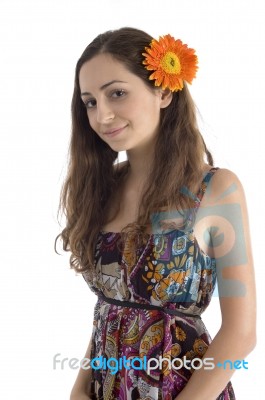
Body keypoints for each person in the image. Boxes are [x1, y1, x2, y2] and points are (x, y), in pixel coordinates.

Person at [55, 27, 256, 400]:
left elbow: (241, 334)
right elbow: (113, 307)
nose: (102, 115)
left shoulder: (216, 189)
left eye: (117, 93)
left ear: (163, 92)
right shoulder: (104, 189)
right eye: (90, 102)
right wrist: (79, 387)